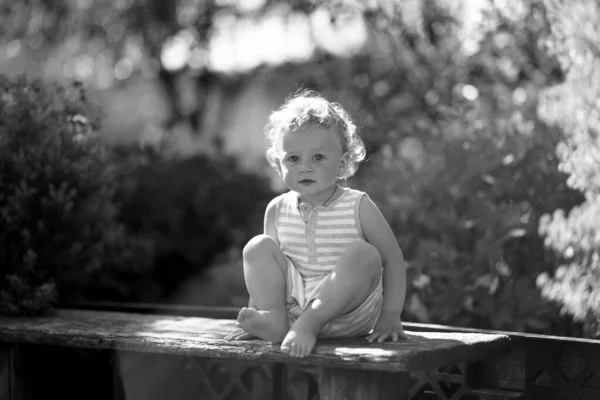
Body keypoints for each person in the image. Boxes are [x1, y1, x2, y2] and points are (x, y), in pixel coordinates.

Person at [225, 90, 407, 358]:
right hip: (291, 313)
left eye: (318, 157)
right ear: (279, 164)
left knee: (365, 254)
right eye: (293, 158)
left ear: (342, 163)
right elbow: (269, 275)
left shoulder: (358, 206)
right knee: (257, 247)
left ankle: (308, 323)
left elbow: (393, 260)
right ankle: (275, 320)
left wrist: (391, 315)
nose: (305, 168)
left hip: (348, 313)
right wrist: (260, 313)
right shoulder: (276, 209)